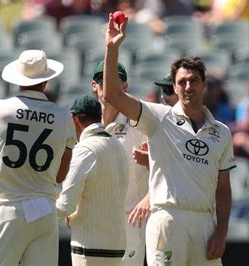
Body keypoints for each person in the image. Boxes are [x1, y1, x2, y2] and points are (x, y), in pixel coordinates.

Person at [102, 14, 236, 265]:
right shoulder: (158, 117)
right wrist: (112, 48)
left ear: (204, 84)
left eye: (193, 80)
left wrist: (221, 232)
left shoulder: (221, 132)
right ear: (174, 88)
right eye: (181, 82)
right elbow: (112, 95)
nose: (188, 87)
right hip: (167, 219)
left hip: (205, 223)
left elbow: (223, 188)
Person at [0, 49, 77, 265]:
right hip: (44, 210)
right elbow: (60, 175)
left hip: (8, 208)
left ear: (18, 79)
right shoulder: (63, 116)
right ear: (45, 82)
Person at [56, 95, 129, 266]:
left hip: (90, 246)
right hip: (117, 245)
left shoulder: (84, 150)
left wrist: (33, 209)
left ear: (74, 120)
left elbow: (66, 205)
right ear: (99, 117)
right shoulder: (118, 146)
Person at [91, 60, 150, 265]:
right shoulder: (86, 122)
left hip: (131, 218)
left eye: (115, 82)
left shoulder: (138, 123)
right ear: (94, 86)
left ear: (124, 87)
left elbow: (163, 164)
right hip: (96, 217)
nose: (108, 86)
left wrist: (150, 197)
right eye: (103, 81)